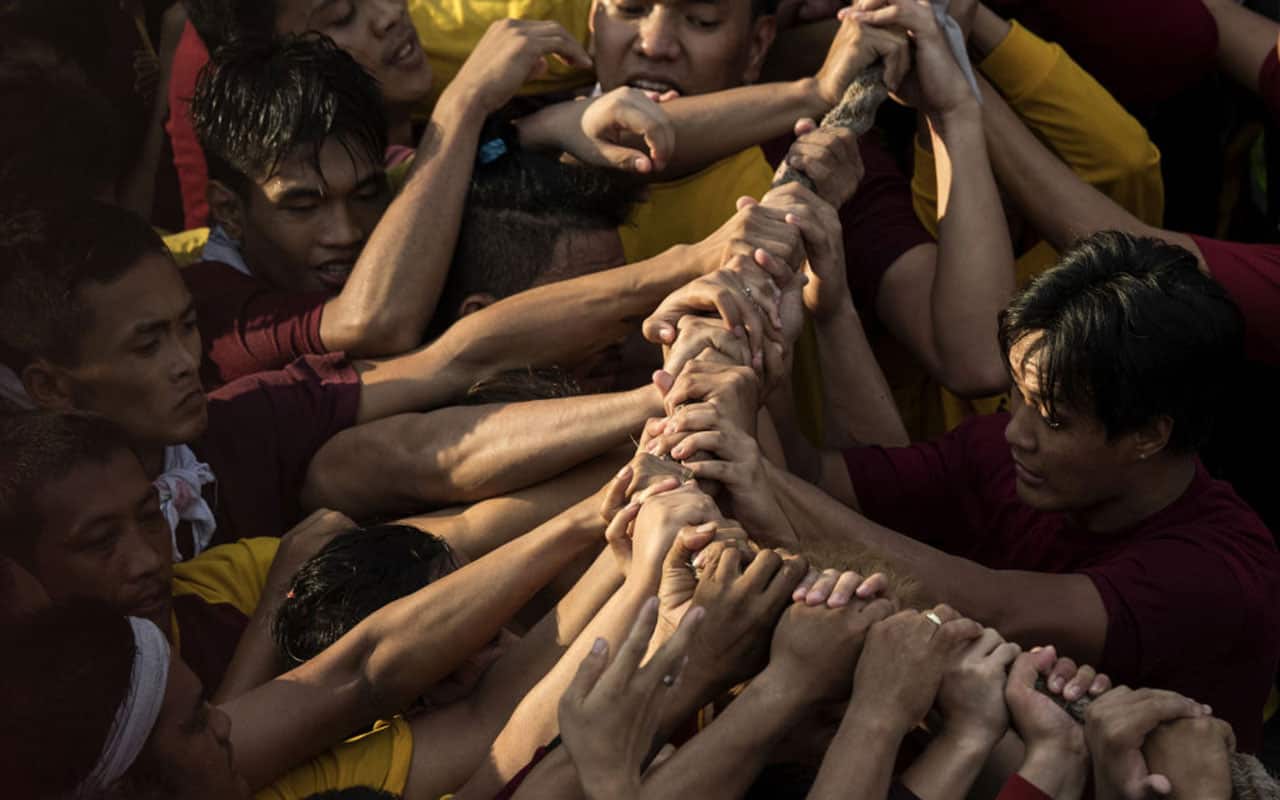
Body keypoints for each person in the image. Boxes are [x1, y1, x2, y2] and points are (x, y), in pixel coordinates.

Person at [649, 228, 1280, 753]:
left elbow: (995, 606)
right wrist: (763, 369)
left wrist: (757, 472)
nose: (1016, 433)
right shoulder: (1005, 453)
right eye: (1014, 400)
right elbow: (824, 485)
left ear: (1148, 434)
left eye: (1052, 418)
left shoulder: (1217, 573)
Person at [0, 200, 683, 546]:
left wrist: (688, 270)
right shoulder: (26, 538)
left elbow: (454, 361)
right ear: (50, 388)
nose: (186, 363)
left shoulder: (237, 421)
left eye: (186, 327)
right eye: (147, 346)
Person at [186, 31, 670, 385]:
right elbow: (377, 323)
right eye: (301, 206)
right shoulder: (207, 305)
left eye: (366, 194)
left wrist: (540, 129)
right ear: (228, 210)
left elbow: (657, 138)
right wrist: (463, 101)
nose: (347, 231)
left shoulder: (399, 194)